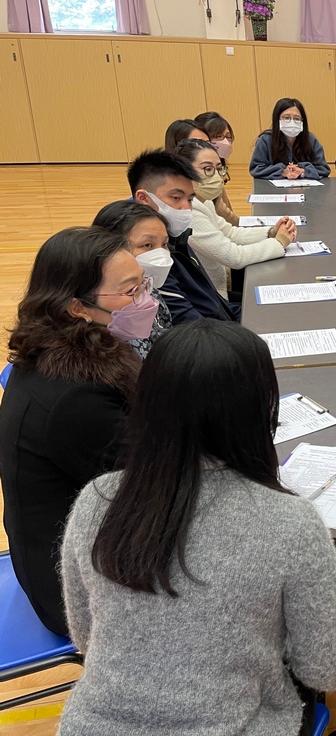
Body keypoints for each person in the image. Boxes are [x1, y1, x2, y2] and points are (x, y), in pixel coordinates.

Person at [59, 320, 336, 734]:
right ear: (260, 409)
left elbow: (85, 636)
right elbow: (325, 670)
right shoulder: (291, 522)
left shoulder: (96, 500)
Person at [0, 229, 142, 635]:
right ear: (78, 307)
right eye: (131, 291)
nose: (145, 300)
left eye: (142, 285)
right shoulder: (74, 398)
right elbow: (150, 482)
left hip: (91, 541)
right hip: (74, 590)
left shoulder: (82, 348)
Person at [128, 149, 240, 323]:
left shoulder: (176, 235)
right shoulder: (152, 258)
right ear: (143, 198)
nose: (186, 208)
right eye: (176, 198)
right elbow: (189, 321)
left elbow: (212, 301)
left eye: (190, 199)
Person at [176, 138, 295, 298]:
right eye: (207, 169)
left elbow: (231, 233)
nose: (216, 175)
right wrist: (279, 242)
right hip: (212, 299)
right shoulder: (189, 212)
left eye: (219, 169)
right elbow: (234, 257)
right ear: (184, 171)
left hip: (221, 287)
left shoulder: (203, 200)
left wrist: (270, 232)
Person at [92, 200, 174, 359]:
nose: (161, 254)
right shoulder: (107, 321)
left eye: (164, 244)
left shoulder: (149, 289)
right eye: (148, 245)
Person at [250, 98, 331, 180]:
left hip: (305, 186)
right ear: (277, 119)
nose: (292, 122)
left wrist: (303, 171)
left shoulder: (311, 140)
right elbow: (256, 168)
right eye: (286, 118)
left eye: (297, 118)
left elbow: (323, 169)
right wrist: (282, 171)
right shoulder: (265, 140)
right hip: (273, 187)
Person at [194, 111, 240, 226]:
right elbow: (222, 212)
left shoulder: (219, 168)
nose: (225, 142)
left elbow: (227, 213)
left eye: (228, 137)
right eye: (218, 136)